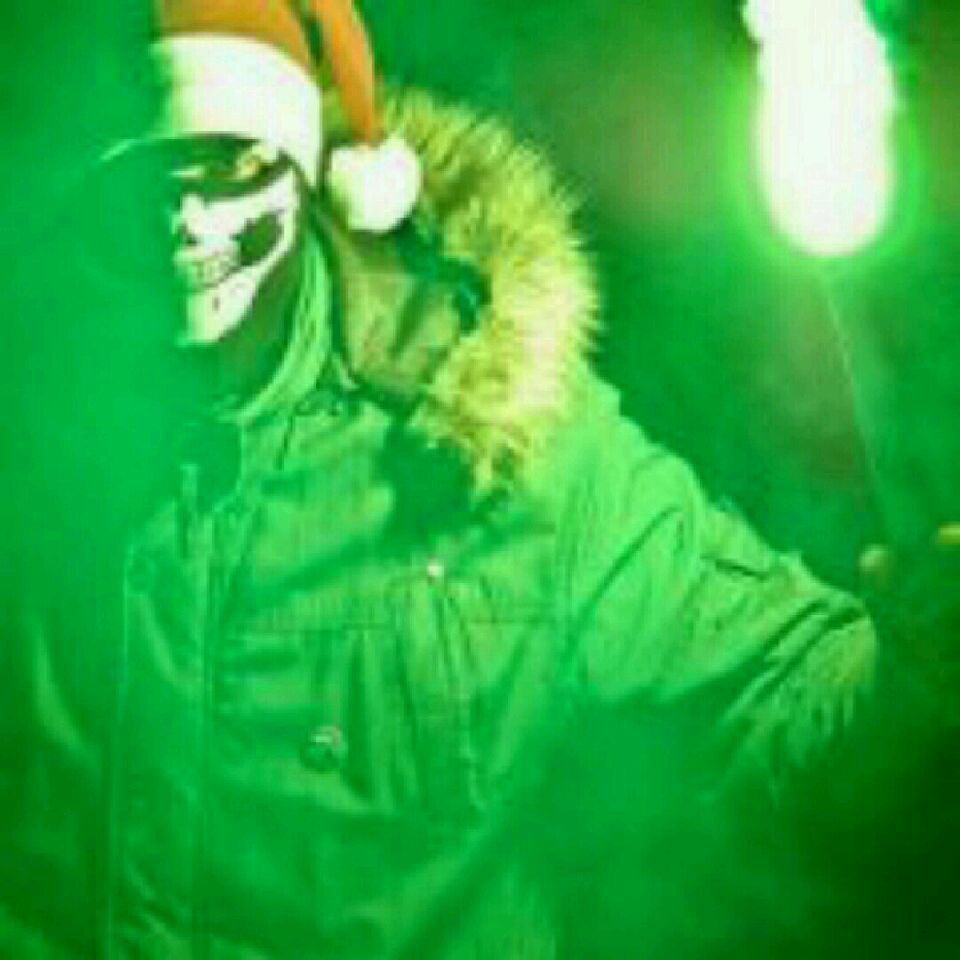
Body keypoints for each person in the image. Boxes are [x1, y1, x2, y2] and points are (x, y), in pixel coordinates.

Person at [2, 0, 958, 957]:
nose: (185, 218)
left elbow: (778, 685)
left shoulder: (492, 438)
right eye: (143, 173)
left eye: (230, 162)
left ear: (307, 168)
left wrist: (916, 675)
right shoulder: (31, 431)